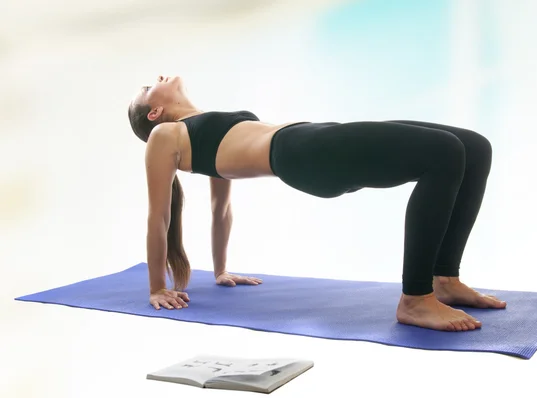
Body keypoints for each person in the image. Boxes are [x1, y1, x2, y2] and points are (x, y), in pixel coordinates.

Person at [127, 75, 506, 332]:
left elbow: (220, 209)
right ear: (154, 113)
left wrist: (221, 269)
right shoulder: (164, 135)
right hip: (305, 153)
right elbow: (159, 216)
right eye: (148, 87)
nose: (158, 78)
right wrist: (157, 287)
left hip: (312, 140)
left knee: (473, 147)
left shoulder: (197, 129)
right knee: (443, 153)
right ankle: (416, 299)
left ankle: (446, 280)